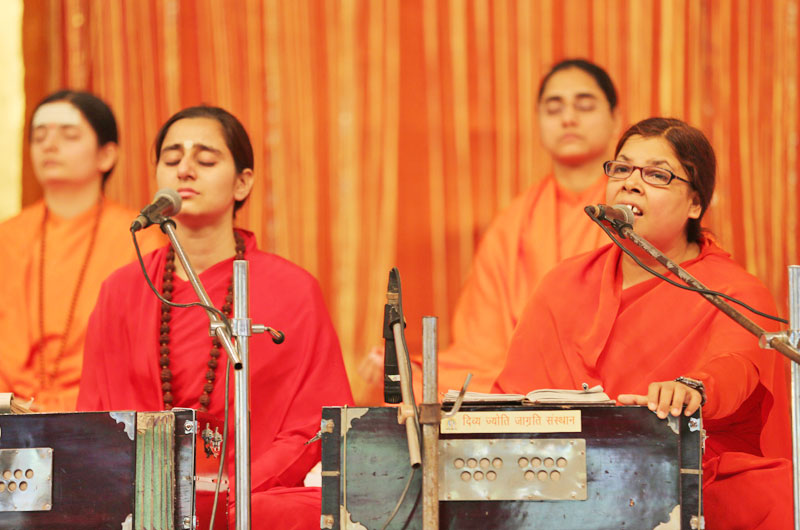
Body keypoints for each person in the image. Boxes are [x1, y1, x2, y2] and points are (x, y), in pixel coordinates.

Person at [494, 117, 791, 528]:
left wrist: (692, 388)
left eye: (656, 174)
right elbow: (511, 398)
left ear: (695, 204)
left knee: (776, 492)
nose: (631, 183)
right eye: (621, 168)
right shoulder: (564, 282)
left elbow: (736, 366)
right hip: (563, 478)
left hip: (680, 480)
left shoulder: (732, 292)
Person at [77, 106, 353, 528]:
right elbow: (95, 418)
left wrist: (232, 490)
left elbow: (315, 425)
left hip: (253, 495)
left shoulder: (293, 289)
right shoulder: (121, 290)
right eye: (171, 160)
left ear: (243, 183)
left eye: (205, 160)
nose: (185, 170)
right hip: (143, 494)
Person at [359, 59, 621, 396]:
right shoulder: (512, 224)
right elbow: (482, 348)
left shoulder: (633, 213)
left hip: (611, 376)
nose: (569, 118)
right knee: (403, 385)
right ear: (539, 123)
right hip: (520, 375)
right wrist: (412, 370)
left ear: (616, 119)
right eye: (554, 109)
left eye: (584, 105)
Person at [0, 90, 163, 412]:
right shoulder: (7, 236)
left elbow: (146, 354)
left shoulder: (141, 240)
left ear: (106, 155)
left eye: (69, 135)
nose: (49, 144)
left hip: (99, 417)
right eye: (39, 135)